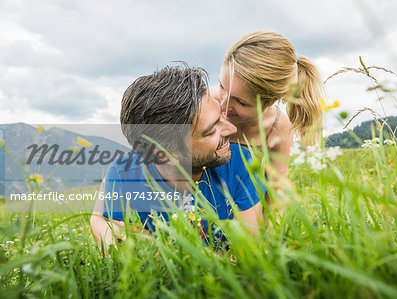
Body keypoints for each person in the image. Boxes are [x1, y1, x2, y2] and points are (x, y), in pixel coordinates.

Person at [90, 64, 264, 249]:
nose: (232, 129)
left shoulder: (239, 162)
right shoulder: (123, 173)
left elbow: (250, 249)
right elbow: (106, 225)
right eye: (212, 131)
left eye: (221, 116)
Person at [212, 31, 323, 203]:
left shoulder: (277, 128)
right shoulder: (204, 103)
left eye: (241, 102)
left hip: (241, 207)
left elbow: (276, 191)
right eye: (222, 86)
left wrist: (271, 229)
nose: (223, 105)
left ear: (271, 102)